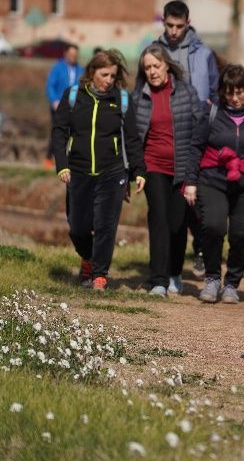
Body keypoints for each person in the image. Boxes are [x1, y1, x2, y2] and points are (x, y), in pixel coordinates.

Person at [52, 50, 146, 291]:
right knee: (78, 226)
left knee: (105, 225)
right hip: (78, 171)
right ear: (92, 72)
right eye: (104, 74)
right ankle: (88, 257)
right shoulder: (73, 96)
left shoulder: (122, 100)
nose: (109, 80)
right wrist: (62, 165)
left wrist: (139, 171)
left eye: (113, 76)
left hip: (112, 172)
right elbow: (60, 131)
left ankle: (99, 275)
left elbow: (132, 139)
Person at [153, 0, 220, 276]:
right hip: (165, 137)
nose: (173, 31)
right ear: (164, 22)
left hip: (197, 135)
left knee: (196, 198)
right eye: (169, 25)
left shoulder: (204, 53)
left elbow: (215, 92)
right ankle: (168, 264)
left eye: (179, 26)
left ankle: (200, 248)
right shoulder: (153, 52)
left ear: (188, 24)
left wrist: (208, 119)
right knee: (170, 206)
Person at [185, 64, 244, 304]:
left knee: (241, 234)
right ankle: (212, 278)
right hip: (213, 179)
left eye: (239, 92)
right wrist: (190, 182)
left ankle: (231, 282)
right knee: (214, 226)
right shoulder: (212, 112)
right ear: (222, 92)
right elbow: (195, 147)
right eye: (230, 92)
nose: (235, 98)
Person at [131, 44, 203, 296]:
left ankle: (174, 272)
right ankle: (158, 280)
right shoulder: (138, 97)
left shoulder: (186, 92)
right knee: (158, 219)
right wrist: (136, 170)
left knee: (177, 224)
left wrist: (195, 171)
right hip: (153, 167)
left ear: (167, 65)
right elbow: (133, 136)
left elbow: (198, 132)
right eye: (147, 68)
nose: (152, 71)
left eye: (156, 66)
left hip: (182, 168)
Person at [45, 43, 84, 170]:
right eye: (71, 54)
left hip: (75, 107)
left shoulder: (80, 69)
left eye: (75, 55)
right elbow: (50, 85)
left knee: (73, 133)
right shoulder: (58, 67)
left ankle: (69, 159)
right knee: (58, 132)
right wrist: (54, 100)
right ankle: (49, 159)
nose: (73, 57)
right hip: (58, 106)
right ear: (65, 54)